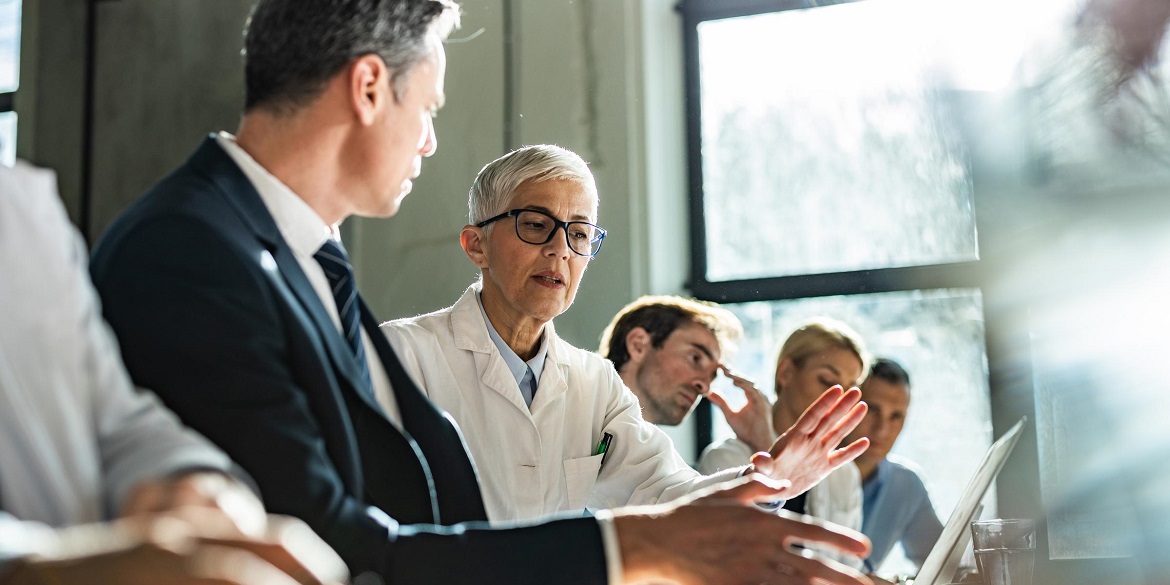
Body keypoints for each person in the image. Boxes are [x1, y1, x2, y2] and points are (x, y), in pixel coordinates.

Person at [89, 1, 874, 584]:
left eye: (579, 234)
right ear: (370, 86)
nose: (431, 140)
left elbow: (409, 508)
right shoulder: (191, 252)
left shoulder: (297, 259)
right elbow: (321, 539)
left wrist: (761, 481)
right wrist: (624, 546)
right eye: (428, 107)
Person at [382, 145, 870, 523]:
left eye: (578, 233)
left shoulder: (595, 383)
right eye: (535, 224)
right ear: (477, 245)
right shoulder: (401, 355)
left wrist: (767, 480)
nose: (560, 250)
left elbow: (665, 492)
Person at [0, 161, 346, 585]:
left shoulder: (21, 210)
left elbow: (116, 421)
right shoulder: (180, 237)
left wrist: (188, 481)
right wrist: (28, 567)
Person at [699, 318, 869, 561]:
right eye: (827, 381)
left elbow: (850, 564)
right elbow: (732, 556)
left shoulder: (844, 473)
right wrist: (765, 450)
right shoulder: (726, 460)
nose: (839, 400)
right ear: (786, 373)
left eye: (850, 389)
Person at [598, 295, 776, 449]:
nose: (705, 387)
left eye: (713, 376)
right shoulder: (582, 422)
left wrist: (761, 443)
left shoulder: (654, 459)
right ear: (638, 345)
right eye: (695, 358)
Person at [844, 359, 942, 572]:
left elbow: (944, 565)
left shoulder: (906, 485)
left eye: (896, 416)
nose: (882, 430)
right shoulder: (808, 476)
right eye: (872, 410)